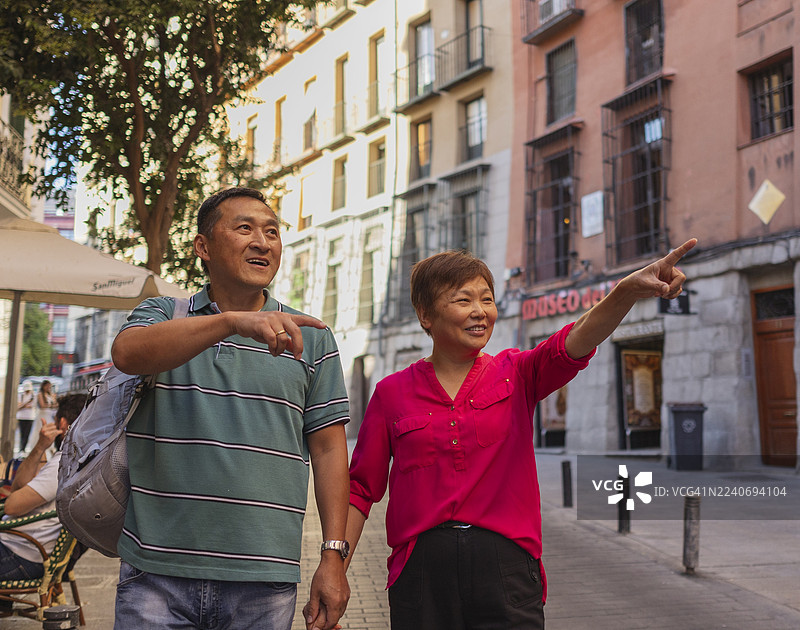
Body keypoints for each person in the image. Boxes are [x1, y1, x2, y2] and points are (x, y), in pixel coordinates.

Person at [344, 240, 697, 629]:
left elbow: (575, 340)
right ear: (425, 314)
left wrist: (627, 290)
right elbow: (360, 490)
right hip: (422, 576)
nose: (480, 312)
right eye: (463, 300)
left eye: (487, 299)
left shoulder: (516, 372)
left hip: (507, 569)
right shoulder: (392, 393)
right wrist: (333, 567)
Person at [110, 187, 351, 630]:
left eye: (272, 232)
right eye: (245, 228)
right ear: (203, 246)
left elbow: (331, 452)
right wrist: (231, 322)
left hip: (264, 578)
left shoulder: (311, 336)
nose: (263, 241)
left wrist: (333, 558)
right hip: (157, 572)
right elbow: (127, 354)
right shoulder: (164, 313)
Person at [0, 393, 87, 584]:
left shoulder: (64, 463)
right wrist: (40, 447)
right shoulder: (82, 458)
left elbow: (11, 506)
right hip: (27, 550)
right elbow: (19, 487)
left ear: (62, 424)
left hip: (19, 554)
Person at [15, 381, 35, 454]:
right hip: (21, 417)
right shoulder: (21, 395)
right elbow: (19, 406)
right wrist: (26, 404)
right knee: (22, 433)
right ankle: (21, 448)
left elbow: (32, 406)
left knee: (27, 433)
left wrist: (24, 405)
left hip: (30, 417)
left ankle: (23, 448)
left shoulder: (33, 396)